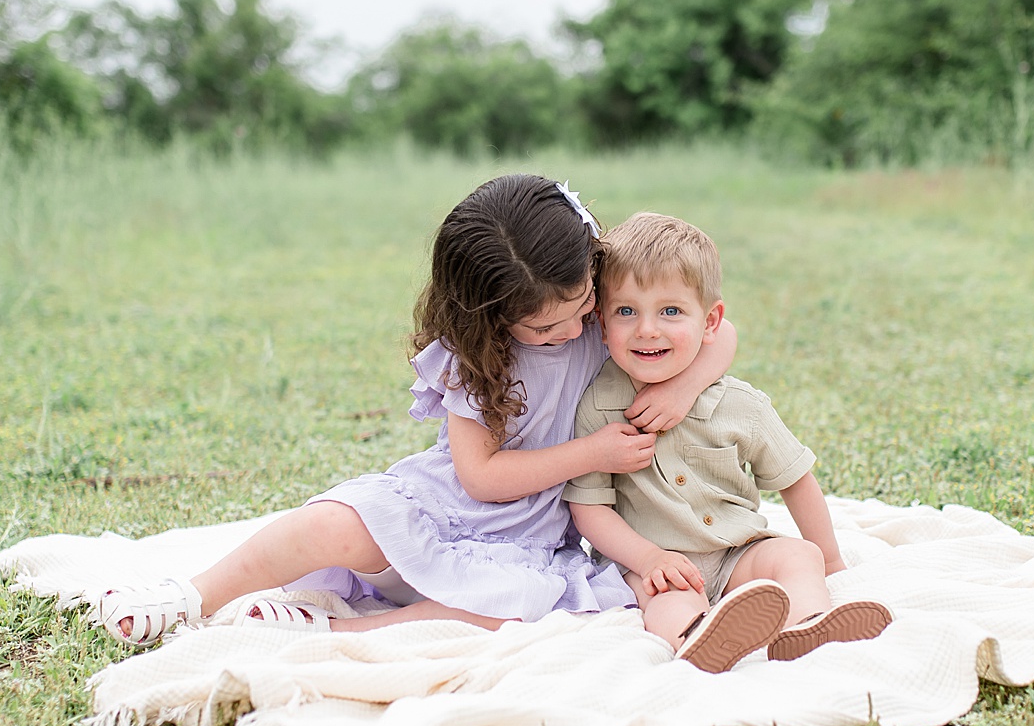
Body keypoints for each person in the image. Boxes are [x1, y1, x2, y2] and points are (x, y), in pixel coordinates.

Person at [95, 175, 739, 645]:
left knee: (515, 608)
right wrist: (594, 454)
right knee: (331, 525)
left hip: (529, 536)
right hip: (449, 508)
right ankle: (193, 594)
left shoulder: (604, 314)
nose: (574, 331)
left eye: (581, 308)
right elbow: (480, 478)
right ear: (490, 317)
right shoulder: (476, 355)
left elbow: (721, 332)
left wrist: (681, 389)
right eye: (545, 329)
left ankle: (343, 628)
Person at [564, 213, 893, 673]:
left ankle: (809, 624)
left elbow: (797, 481)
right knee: (668, 596)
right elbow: (589, 508)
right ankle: (698, 637)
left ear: (711, 321)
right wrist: (648, 557)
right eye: (626, 312)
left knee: (797, 555)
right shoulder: (598, 408)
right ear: (601, 323)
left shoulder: (740, 405)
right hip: (656, 561)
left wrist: (831, 560)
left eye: (671, 311)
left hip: (738, 553)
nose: (647, 329)